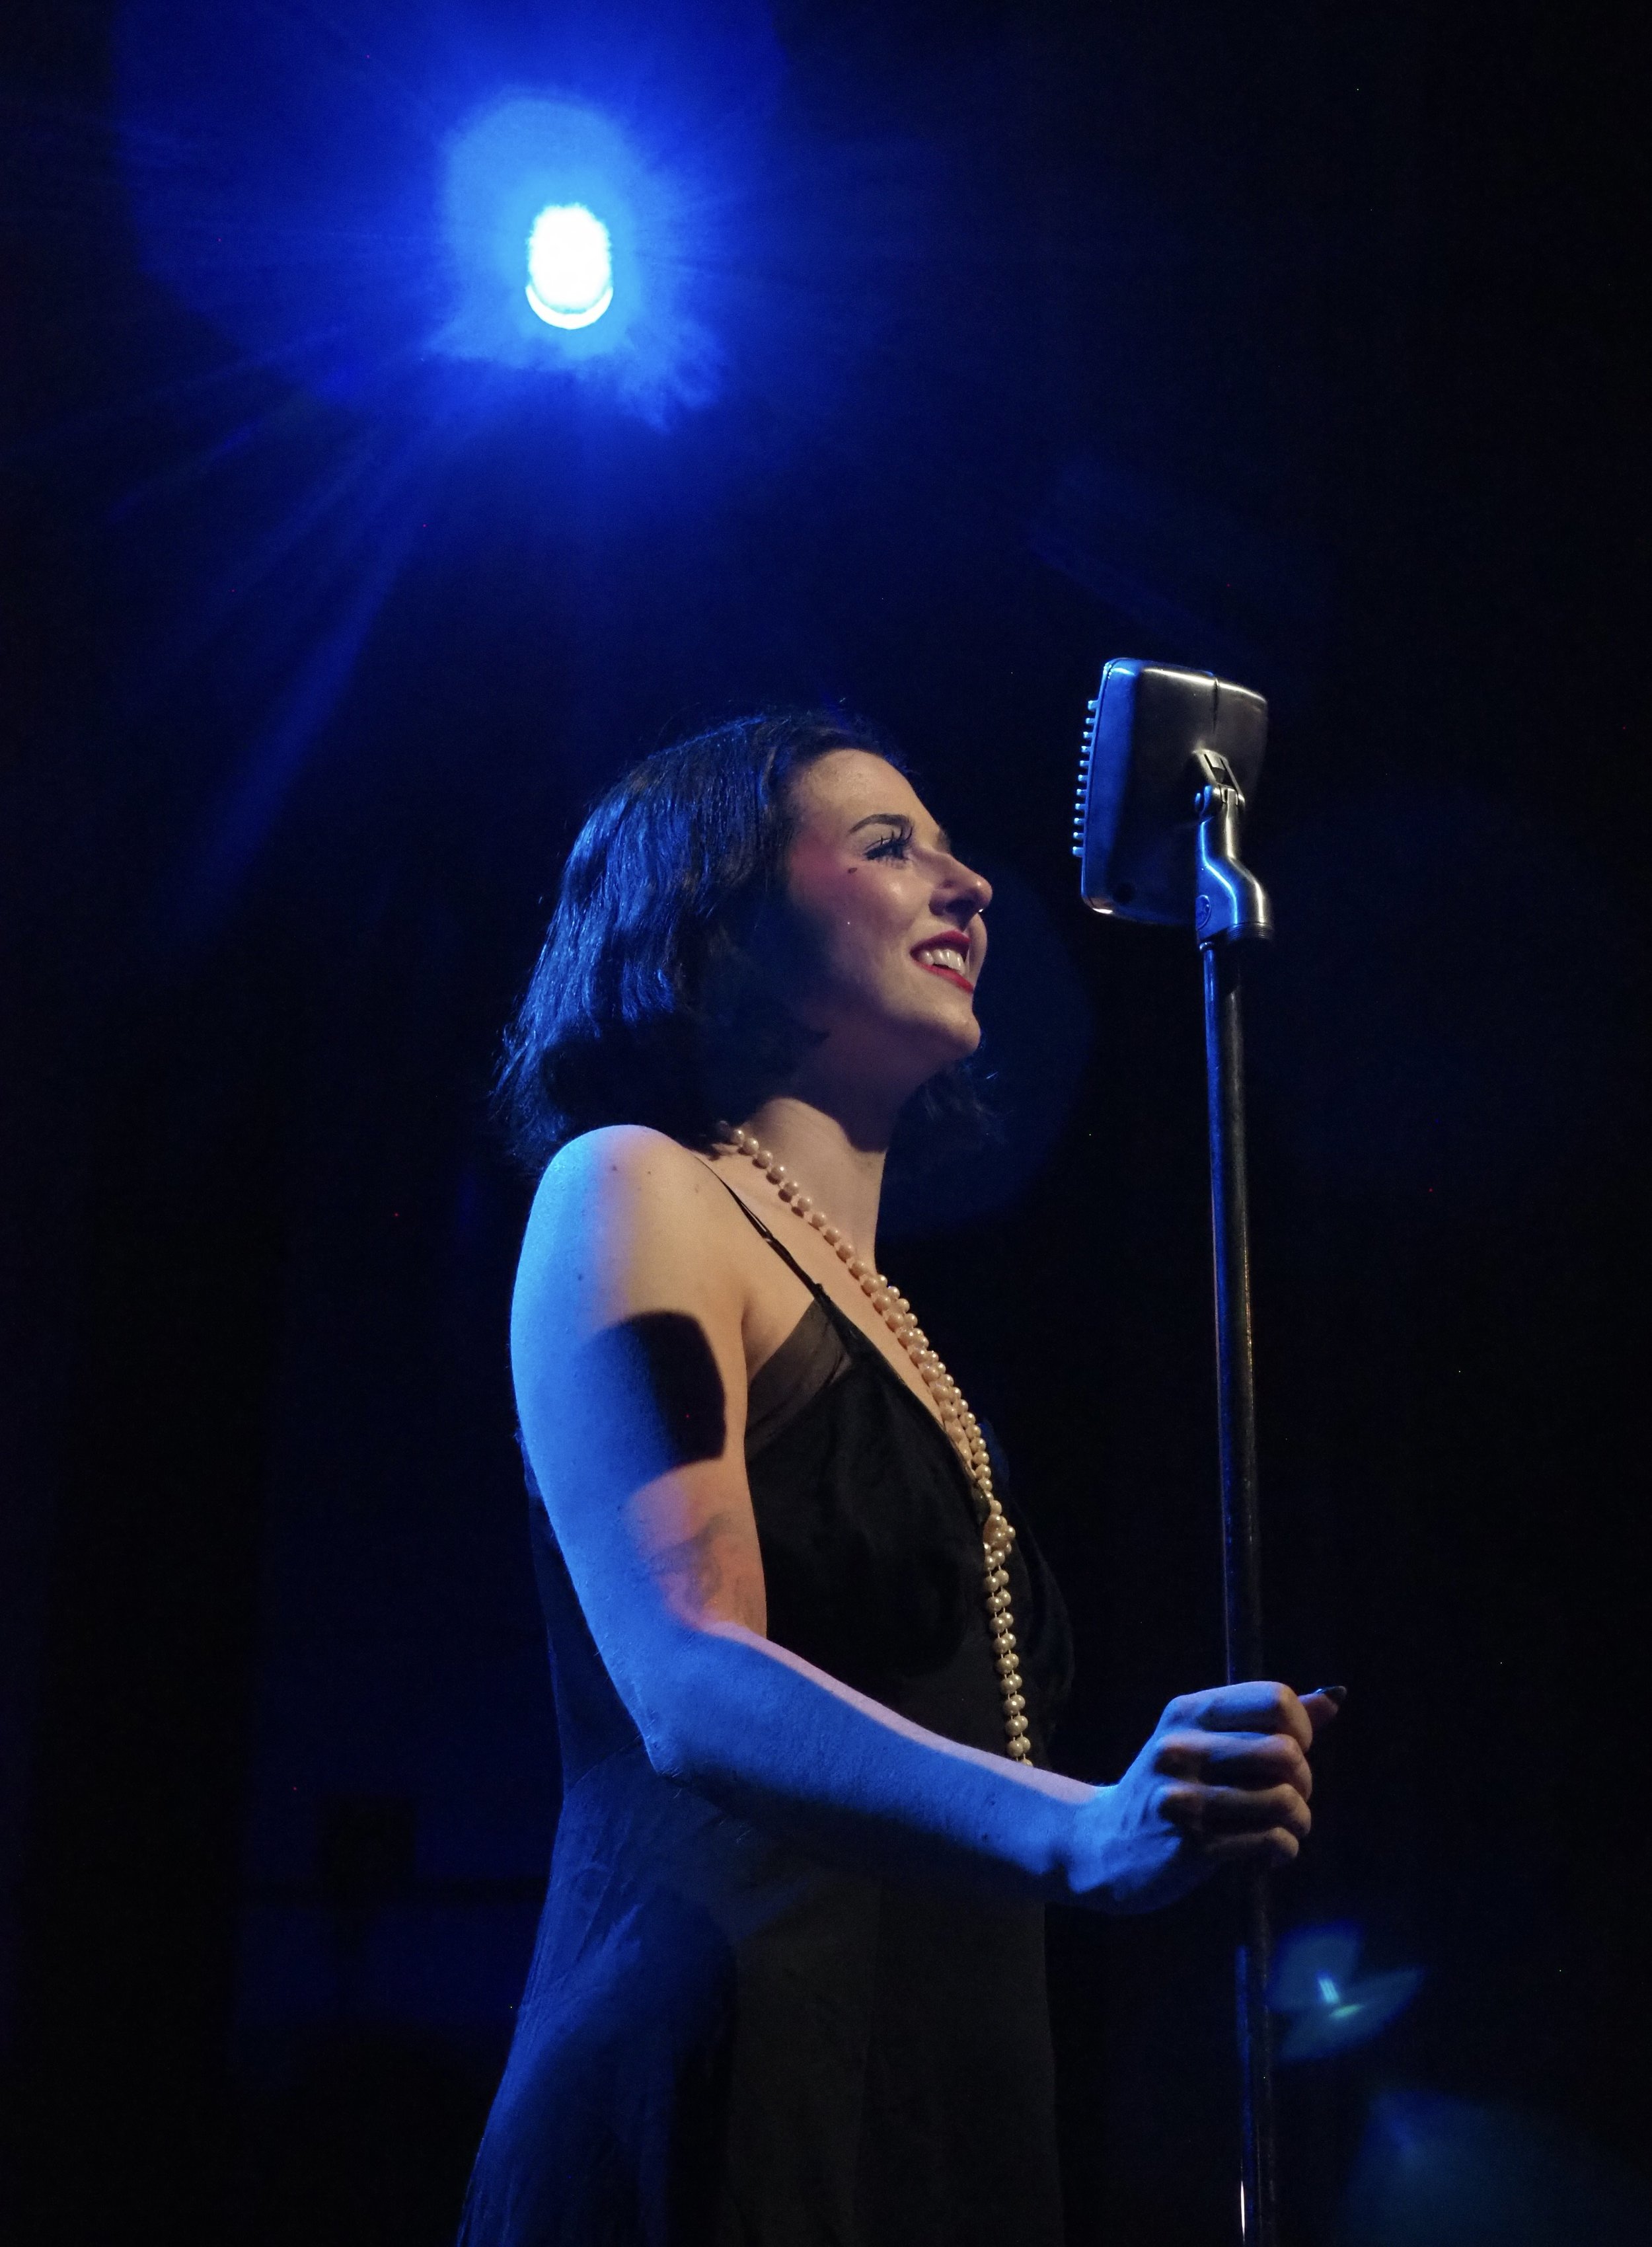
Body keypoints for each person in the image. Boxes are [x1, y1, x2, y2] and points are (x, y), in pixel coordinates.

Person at [457, 710, 1337, 2247]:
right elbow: (685, 1669)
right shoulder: (636, 1181)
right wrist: (1080, 1826)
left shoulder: (899, 1327)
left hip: (941, 2104)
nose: (972, 885)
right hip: (733, 2066)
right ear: (714, 906)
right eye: (886, 844)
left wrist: (1166, 1805)